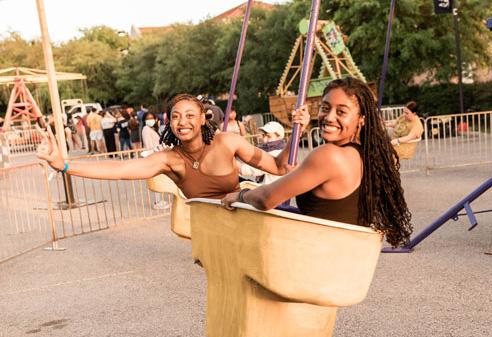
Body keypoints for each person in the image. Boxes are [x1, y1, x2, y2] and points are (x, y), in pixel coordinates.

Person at [222, 77, 412, 248]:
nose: (329, 117)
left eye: (341, 111)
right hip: (344, 261)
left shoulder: (330, 156)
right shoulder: (367, 156)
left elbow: (265, 199)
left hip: (314, 262)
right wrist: (299, 132)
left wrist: (241, 196)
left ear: (361, 119)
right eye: (325, 108)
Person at [36, 93, 305, 200]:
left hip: (242, 225)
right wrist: (65, 165)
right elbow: (120, 168)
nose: (182, 122)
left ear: (202, 119)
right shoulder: (169, 160)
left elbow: (279, 167)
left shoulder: (228, 142)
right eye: (175, 116)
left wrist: (297, 129)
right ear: (169, 122)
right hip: (212, 239)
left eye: (190, 115)